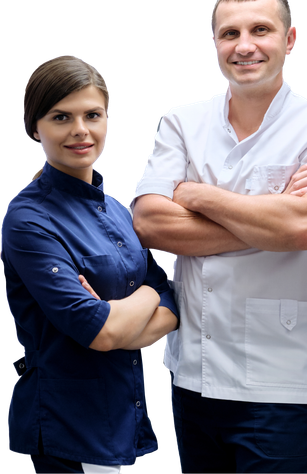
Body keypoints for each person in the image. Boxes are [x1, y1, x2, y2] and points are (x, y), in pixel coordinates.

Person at [131, 0, 307, 472]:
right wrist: (272, 215)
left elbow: (305, 228)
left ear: (290, 39)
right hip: (194, 371)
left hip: (280, 378)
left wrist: (195, 196)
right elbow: (149, 221)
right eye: (229, 33)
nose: (245, 45)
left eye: (261, 30)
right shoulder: (182, 122)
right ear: (214, 42)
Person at [2, 55, 179, 474]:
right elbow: (100, 330)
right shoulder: (29, 219)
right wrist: (144, 300)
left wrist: (132, 311)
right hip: (71, 428)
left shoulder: (117, 209)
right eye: (61, 117)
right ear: (35, 128)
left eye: (92, 115)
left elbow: (172, 303)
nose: (81, 130)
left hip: (121, 417)